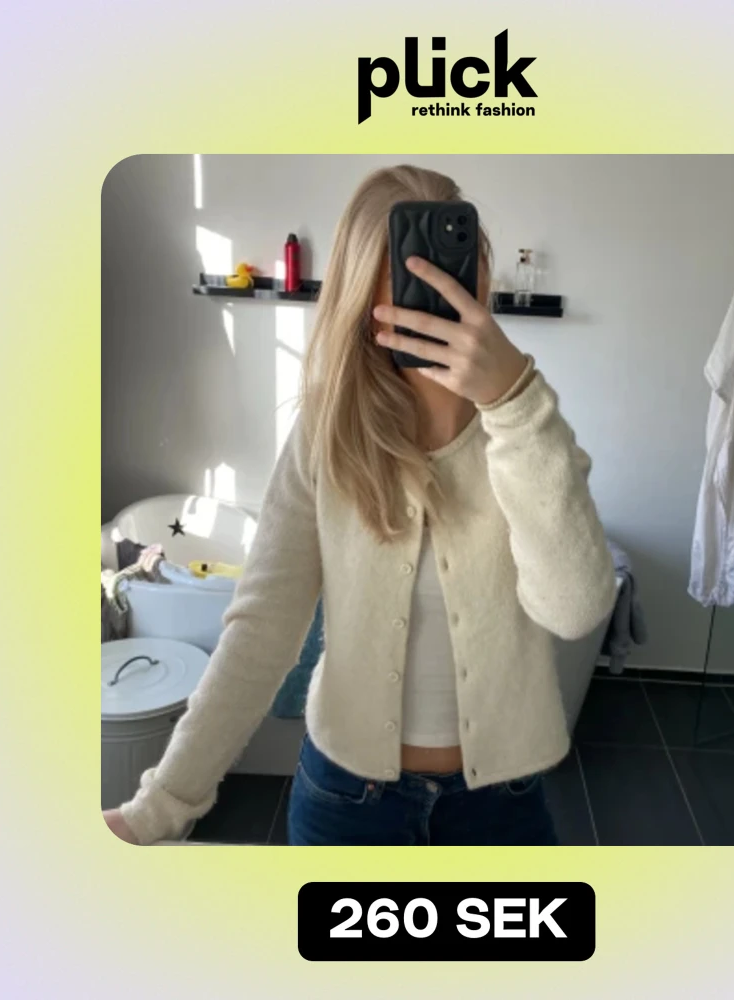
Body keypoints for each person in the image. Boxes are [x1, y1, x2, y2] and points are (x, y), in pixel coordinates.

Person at [104, 164, 617, 846]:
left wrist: (514, 399)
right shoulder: (327, 430)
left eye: (451, 260)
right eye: (406, 269)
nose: (426, 289)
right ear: (360, 288)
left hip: (502, 805)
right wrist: (161, 804)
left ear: (478, 272)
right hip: (347, 802)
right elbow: (261, 628)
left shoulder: (526, 430)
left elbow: (576, 609)